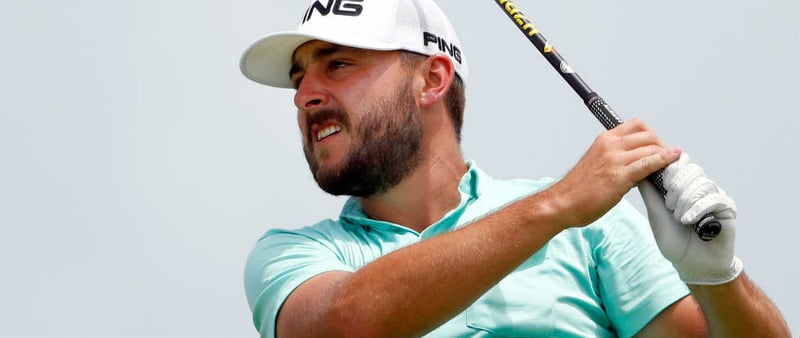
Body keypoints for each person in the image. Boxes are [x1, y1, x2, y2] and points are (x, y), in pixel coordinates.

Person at [239, 0, 791, 337]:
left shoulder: (594, 226)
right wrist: (557, 207)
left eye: (337, 64)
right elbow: (346, 326)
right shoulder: (292, 255)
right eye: (299, 79)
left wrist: (718, 281)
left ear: (432, 80)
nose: (305, 96)